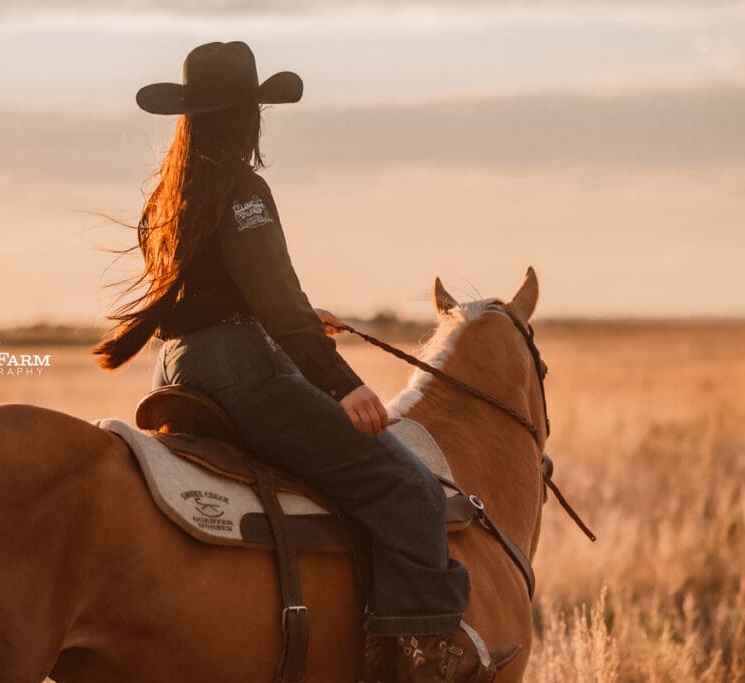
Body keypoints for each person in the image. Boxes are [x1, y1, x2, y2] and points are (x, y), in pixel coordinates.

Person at [92, 41, 518, 682]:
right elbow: (276, 299)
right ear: (247, 115)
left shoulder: (169, 195)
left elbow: (213, 295)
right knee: (407, 490)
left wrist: (285, 315)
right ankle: (422, 660)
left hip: (178, 367)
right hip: (240, 371)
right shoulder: (242, 190)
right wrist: (343, 385)